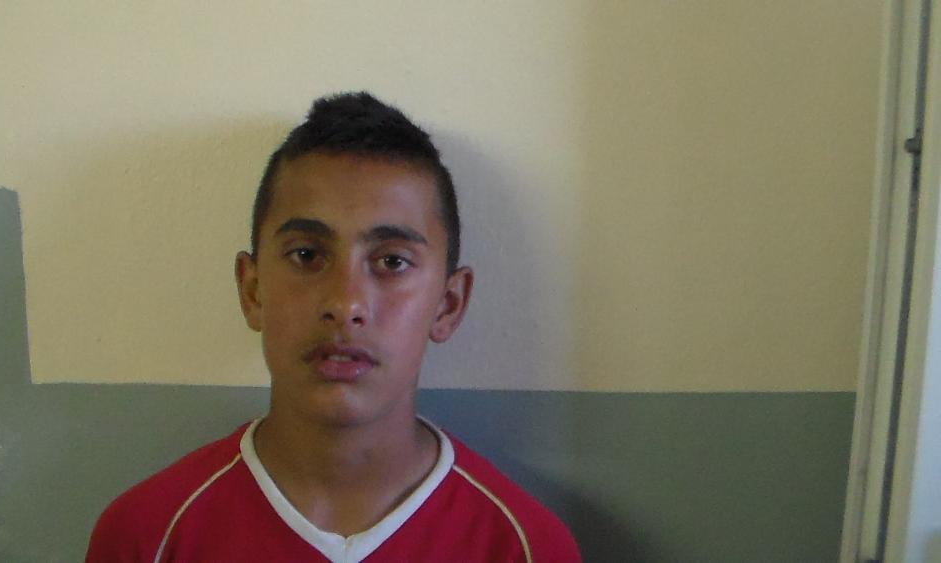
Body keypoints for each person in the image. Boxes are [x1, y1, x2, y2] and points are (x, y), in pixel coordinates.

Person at [85, 92, 581, 562]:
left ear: (447, 305)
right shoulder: (148, 536)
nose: (345, 304)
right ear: (253, 290)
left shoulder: (524, 547)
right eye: (307, 255)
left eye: (391, 261)